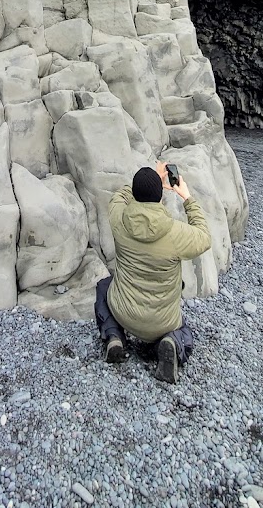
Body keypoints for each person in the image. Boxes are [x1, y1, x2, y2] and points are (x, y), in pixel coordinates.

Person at [94, 161, 212, 384]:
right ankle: (171, 344)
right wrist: (187, 198)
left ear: (135, 194)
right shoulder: (175, 233)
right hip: (161, 323)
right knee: (184, 331)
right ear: (160, 197)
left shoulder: (119, 219)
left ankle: (114, 336)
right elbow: (204, 237)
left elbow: (119, 197)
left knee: (103, 287)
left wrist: (149, 180)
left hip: (123, 313)